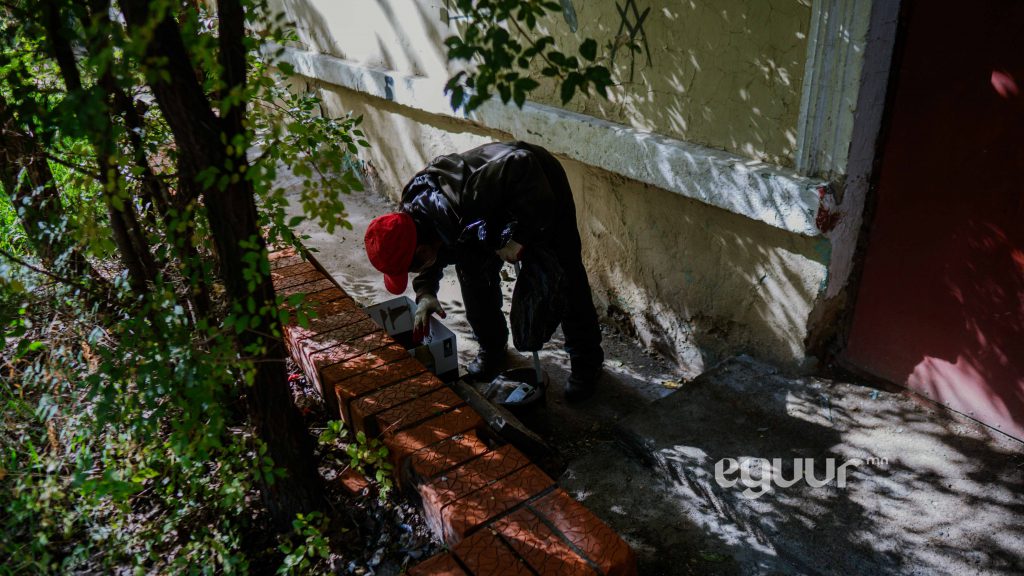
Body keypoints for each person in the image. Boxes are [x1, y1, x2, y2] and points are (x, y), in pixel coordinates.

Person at [364, 141, 604, 401]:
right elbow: (432, 249)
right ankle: (492, 347)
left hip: (537, 184)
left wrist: (519, 238)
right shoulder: (414, 219)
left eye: (412, 269)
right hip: (486, 215)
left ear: (421, 251)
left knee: (565, 272)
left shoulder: (465, 197)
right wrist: (425, 292)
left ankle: (586, 361)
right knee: (473, 275)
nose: (415, 271)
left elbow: (523, 162)